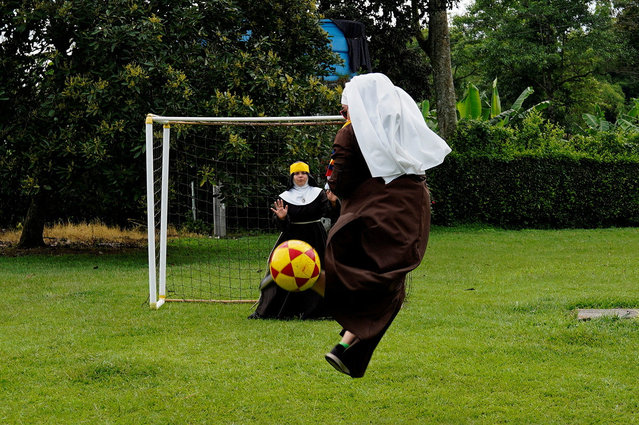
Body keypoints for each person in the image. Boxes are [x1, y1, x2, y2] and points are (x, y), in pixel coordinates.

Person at [322, 73, 451, 377]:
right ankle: (347, 349)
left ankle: (325, 303)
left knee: (355, 269)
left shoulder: (349, 134)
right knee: (392, 284)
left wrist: (334, 188)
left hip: (372, 217)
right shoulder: (399, 129)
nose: (344, 115)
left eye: (345, 109)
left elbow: (338, 180)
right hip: (411, 216)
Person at [249, 161, 339, 320]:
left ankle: (317, 311)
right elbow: (280, 225)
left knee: (320, 273)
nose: (300, 176)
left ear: (308, 175)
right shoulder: (284, 197)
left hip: (316, 238)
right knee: (283, 273)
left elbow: (332, 215)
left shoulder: (319, 194)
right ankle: (278, 310)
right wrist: (282, 217)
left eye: (303, 173)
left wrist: (332, 202)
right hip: (291, 239)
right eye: (297, 174)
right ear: (292, 177)